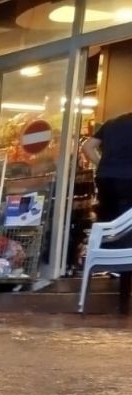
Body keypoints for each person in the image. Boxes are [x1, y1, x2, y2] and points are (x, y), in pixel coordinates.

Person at [83, 113, 132, 311]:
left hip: (106, 178)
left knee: (110, 222)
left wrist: (102, 164)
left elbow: (87, 147)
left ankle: (112, 265)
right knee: (128, 224)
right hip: (129, 180)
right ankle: (125, 268)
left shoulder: (113, 122)